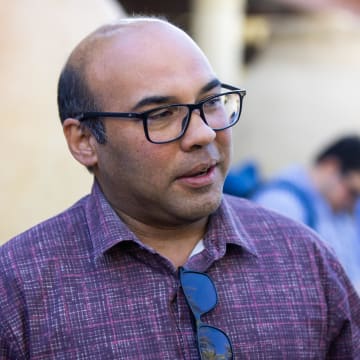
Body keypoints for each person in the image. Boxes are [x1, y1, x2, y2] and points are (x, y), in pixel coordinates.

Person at [0, 17, 359, 359]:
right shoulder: (20, 288)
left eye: (212, 102)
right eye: (160, 114)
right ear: (84, 141)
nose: (204, 133)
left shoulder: (305, 259)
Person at [252, 135, 360, 293]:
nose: (354, 203)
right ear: (331, 167)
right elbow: (272, 283)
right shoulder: (282, 204)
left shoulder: (336, 210)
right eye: (352, 192)